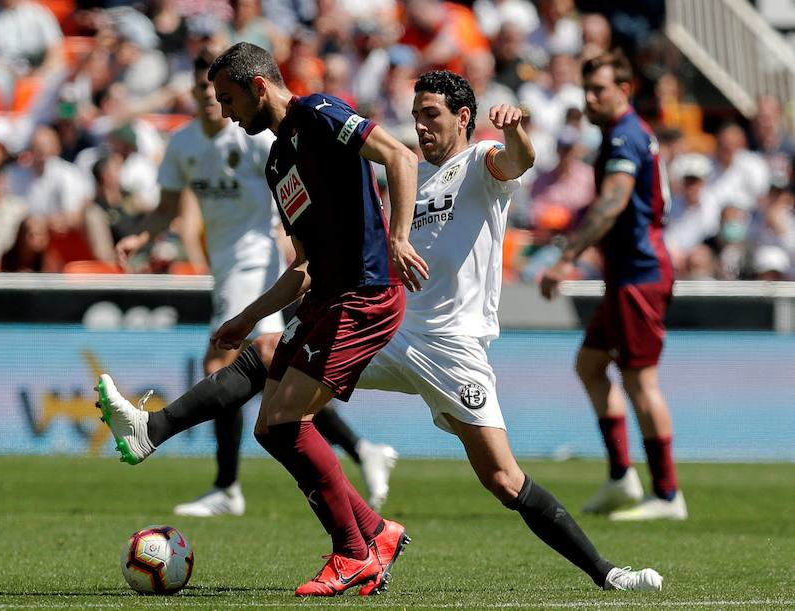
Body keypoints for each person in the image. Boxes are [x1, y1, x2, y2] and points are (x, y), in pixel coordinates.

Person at [96, 59, 664, 596]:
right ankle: (165, 435)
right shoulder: (401, 182)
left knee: (503, 480)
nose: (421, 126)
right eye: (415, 116)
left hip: (453, 349)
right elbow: (318, 255)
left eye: (432, 115)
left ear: (464, 118)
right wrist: (248, 316)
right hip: (391, 329)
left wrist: (514, 131)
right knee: (268, 358)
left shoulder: (481, 163)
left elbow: (519, 160)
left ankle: (607, 573)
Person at [107, 52, 399, 518]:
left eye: (226, 98)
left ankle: (223, 482)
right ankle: (364, 465)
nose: (222, 110)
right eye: (212, 97)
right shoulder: (272, 158)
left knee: (255, 387)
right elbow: (303, 260)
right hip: (298, 287)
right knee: (272, 393)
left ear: (258, 88)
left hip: (329, 283)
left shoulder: (312, 117)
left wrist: (398, 238)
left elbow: (397, 155)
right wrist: (249, 315)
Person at [540, 51, 688, 521]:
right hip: (626, 275)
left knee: (641, 383)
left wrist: (566, 257)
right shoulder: (621, 135)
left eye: (599, 89)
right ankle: (623, 476)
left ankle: (667, 496)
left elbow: (614, 202)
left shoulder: (625, 136)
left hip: (640, 276)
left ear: (623, 90)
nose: (590, 98)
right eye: (587, 89)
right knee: (589, 365)